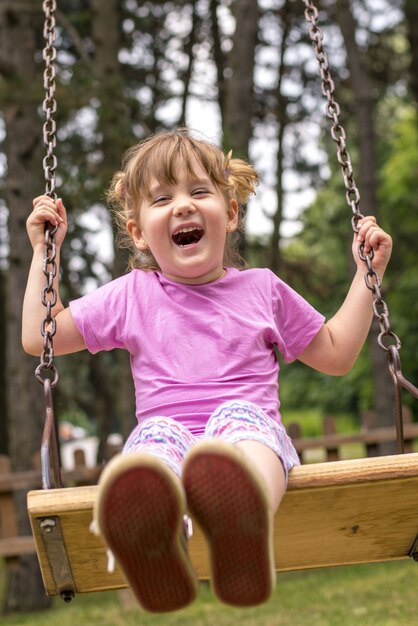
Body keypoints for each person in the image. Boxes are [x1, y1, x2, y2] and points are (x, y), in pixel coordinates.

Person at [22, 128, 392, 613]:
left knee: (239, 423)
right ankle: (153, 539)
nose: (183, 206)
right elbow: (40, 336)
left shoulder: (263, 289)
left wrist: (369, 276)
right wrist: (44, 253)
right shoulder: (133, 294)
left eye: (199, 192)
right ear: (138, 232)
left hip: (251, 437)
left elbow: (337, 352)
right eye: (162, 198)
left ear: (231, 213)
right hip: (168, 436)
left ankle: (243, 516)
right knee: (150, 448)